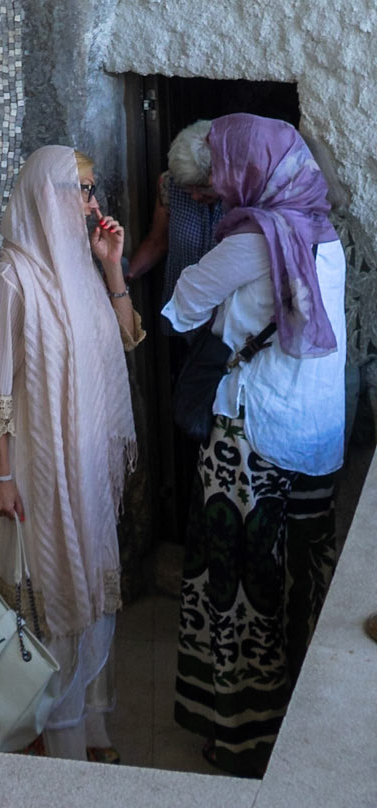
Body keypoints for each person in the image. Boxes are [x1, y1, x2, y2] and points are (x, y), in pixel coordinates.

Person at [164, 114, 346, 777]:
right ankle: (314, 728)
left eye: (213, 185)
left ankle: (243, 741)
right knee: (301, 583)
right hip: (318, 437)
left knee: (240, 590)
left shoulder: (251, 244)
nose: (215, 198)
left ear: (243, 170)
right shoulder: (327, 239)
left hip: (252, 437)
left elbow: (180, 308)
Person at [0, 146, 143, 762]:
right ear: (47, 197)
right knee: (57, 600)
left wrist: (113, 268)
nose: (93, 203)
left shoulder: (82, 267)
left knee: (93, 595)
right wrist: (0, 476)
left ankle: (90, 730)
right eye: (81, 190)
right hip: (40, 476)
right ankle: (58, 738)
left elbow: (127, 338)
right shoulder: (11, 279)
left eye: (93, 190)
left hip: (88, 471)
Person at [126, 119, 222, 298]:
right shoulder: (168, 184)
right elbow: (157, 241)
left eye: (202, 188)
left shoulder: (245, 194)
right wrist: (123, 277)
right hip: (180, 306)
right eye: (187, 188)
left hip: (227, 312)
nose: (194, 196)